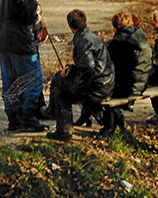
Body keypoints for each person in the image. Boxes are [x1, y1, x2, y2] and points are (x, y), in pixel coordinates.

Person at [0, 0, 45, 133]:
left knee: (10, 81)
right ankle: (28, 117)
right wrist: (37, 19)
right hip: (22, 41)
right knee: (34, 79)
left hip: (3, 39)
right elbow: (27, 14)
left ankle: (13, 118)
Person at [46, 9, 115, 142]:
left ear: (70, 26)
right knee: (59, 79)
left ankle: (63, 130)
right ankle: (52, 112)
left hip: (97, 88)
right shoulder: (91, 36)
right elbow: (91, 65)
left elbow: (88, 69)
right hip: (107, 82)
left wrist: (75, 84)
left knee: (60, 90)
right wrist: (71, 68)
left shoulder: (81, 39)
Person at [103, 11, 153, 131]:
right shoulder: (140, 36)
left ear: (115, 27)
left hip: (131, 86)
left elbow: (113, 69)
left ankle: (109, 128)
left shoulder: (119, 43)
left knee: (102, 92)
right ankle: (119, 121)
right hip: (143, 82)